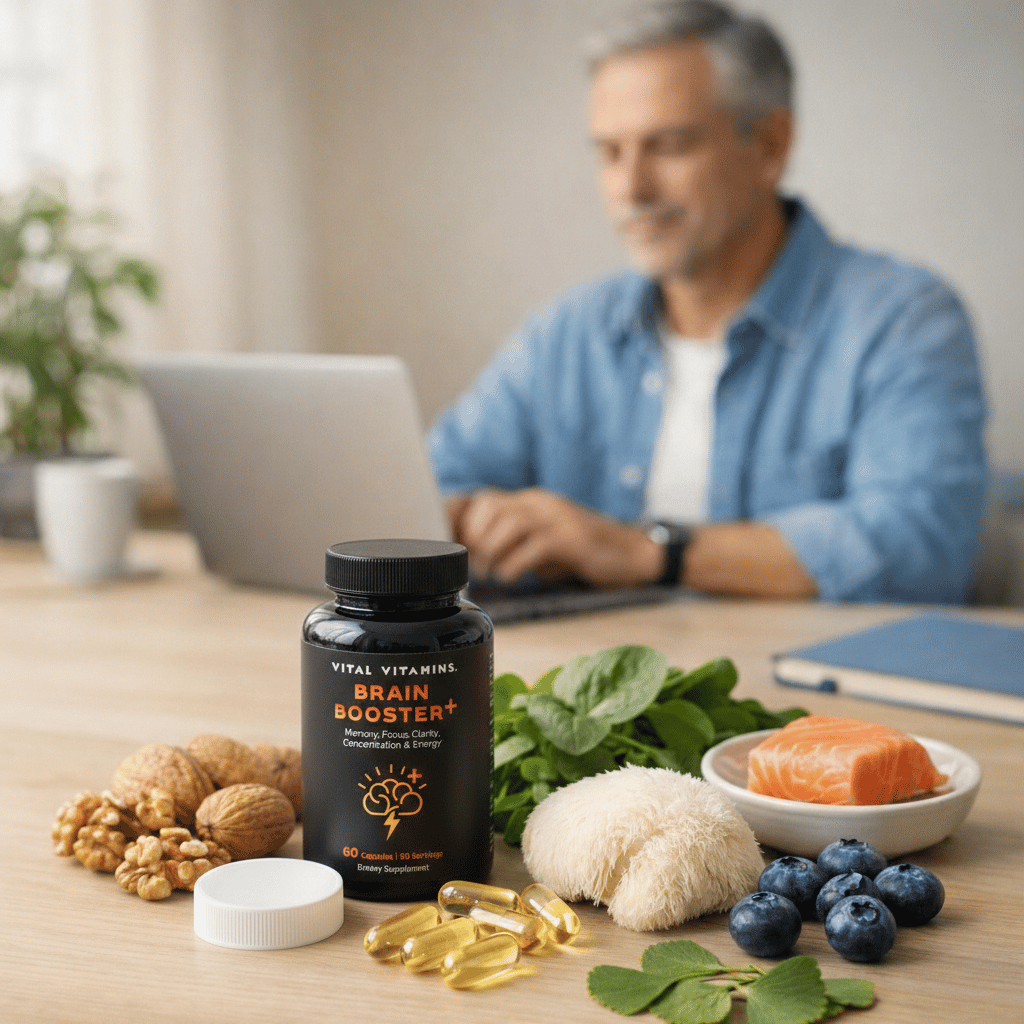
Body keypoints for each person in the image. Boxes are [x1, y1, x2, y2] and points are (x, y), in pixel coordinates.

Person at [427, 0, 987, 603]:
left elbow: (921, 549)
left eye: (667, 146)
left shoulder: (902, 321)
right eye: (609, 153)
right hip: (586, 688)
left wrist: (640, 552)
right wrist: (469, 518)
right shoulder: (566, 333)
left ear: (771, 144)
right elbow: (428, 487)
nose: (630, 190)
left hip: (793, 694)